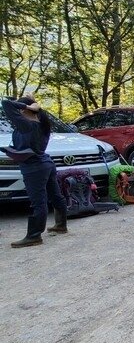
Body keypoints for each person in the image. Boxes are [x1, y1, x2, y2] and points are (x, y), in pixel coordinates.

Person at [1, 96, 69, 248]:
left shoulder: (27, 125)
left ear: (26, 109)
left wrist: (28, 106)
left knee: (38, 202)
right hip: (46, 163)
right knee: (55, 195)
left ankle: (34, 235)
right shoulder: (42, 123)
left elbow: (5, 104)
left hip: (33, 167)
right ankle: (61, 225)